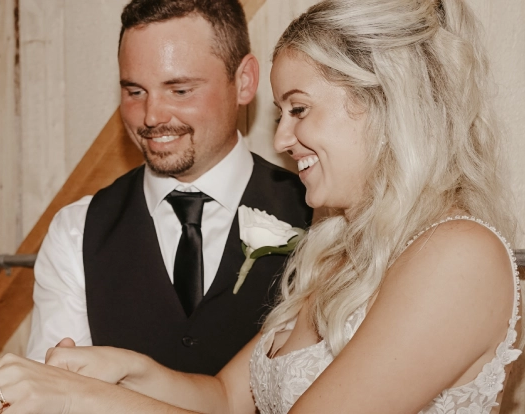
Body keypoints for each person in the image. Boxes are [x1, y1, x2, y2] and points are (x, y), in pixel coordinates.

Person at [0, 0, 520, 412]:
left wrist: (81, 400)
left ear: (381, 104)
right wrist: (120, 370)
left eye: (298, 109)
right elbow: (225, 397)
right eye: (135, 89)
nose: (280, 139)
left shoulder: (458, 255)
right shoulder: (343, 250)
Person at [26, 0, 313, 378]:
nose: (152, 116)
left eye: (179, 90)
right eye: (135, 92)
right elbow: (52, 393)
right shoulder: (77, 231)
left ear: (243, 81)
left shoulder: (321, 216)